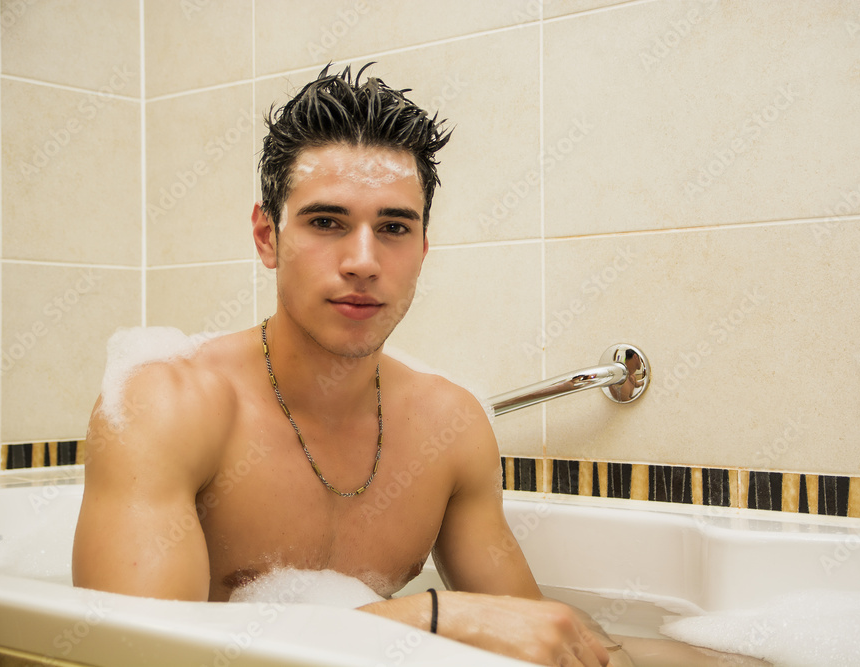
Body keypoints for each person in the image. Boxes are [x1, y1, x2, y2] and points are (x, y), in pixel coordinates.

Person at [72, 64, 611, 667]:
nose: (362, 260)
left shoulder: (449, 427)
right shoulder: (168, 407)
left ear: (423, 250)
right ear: (267, 237)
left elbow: (543, 641)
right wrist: (427, 616)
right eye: (327, 222)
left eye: (394, 227)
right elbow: (132, 656)